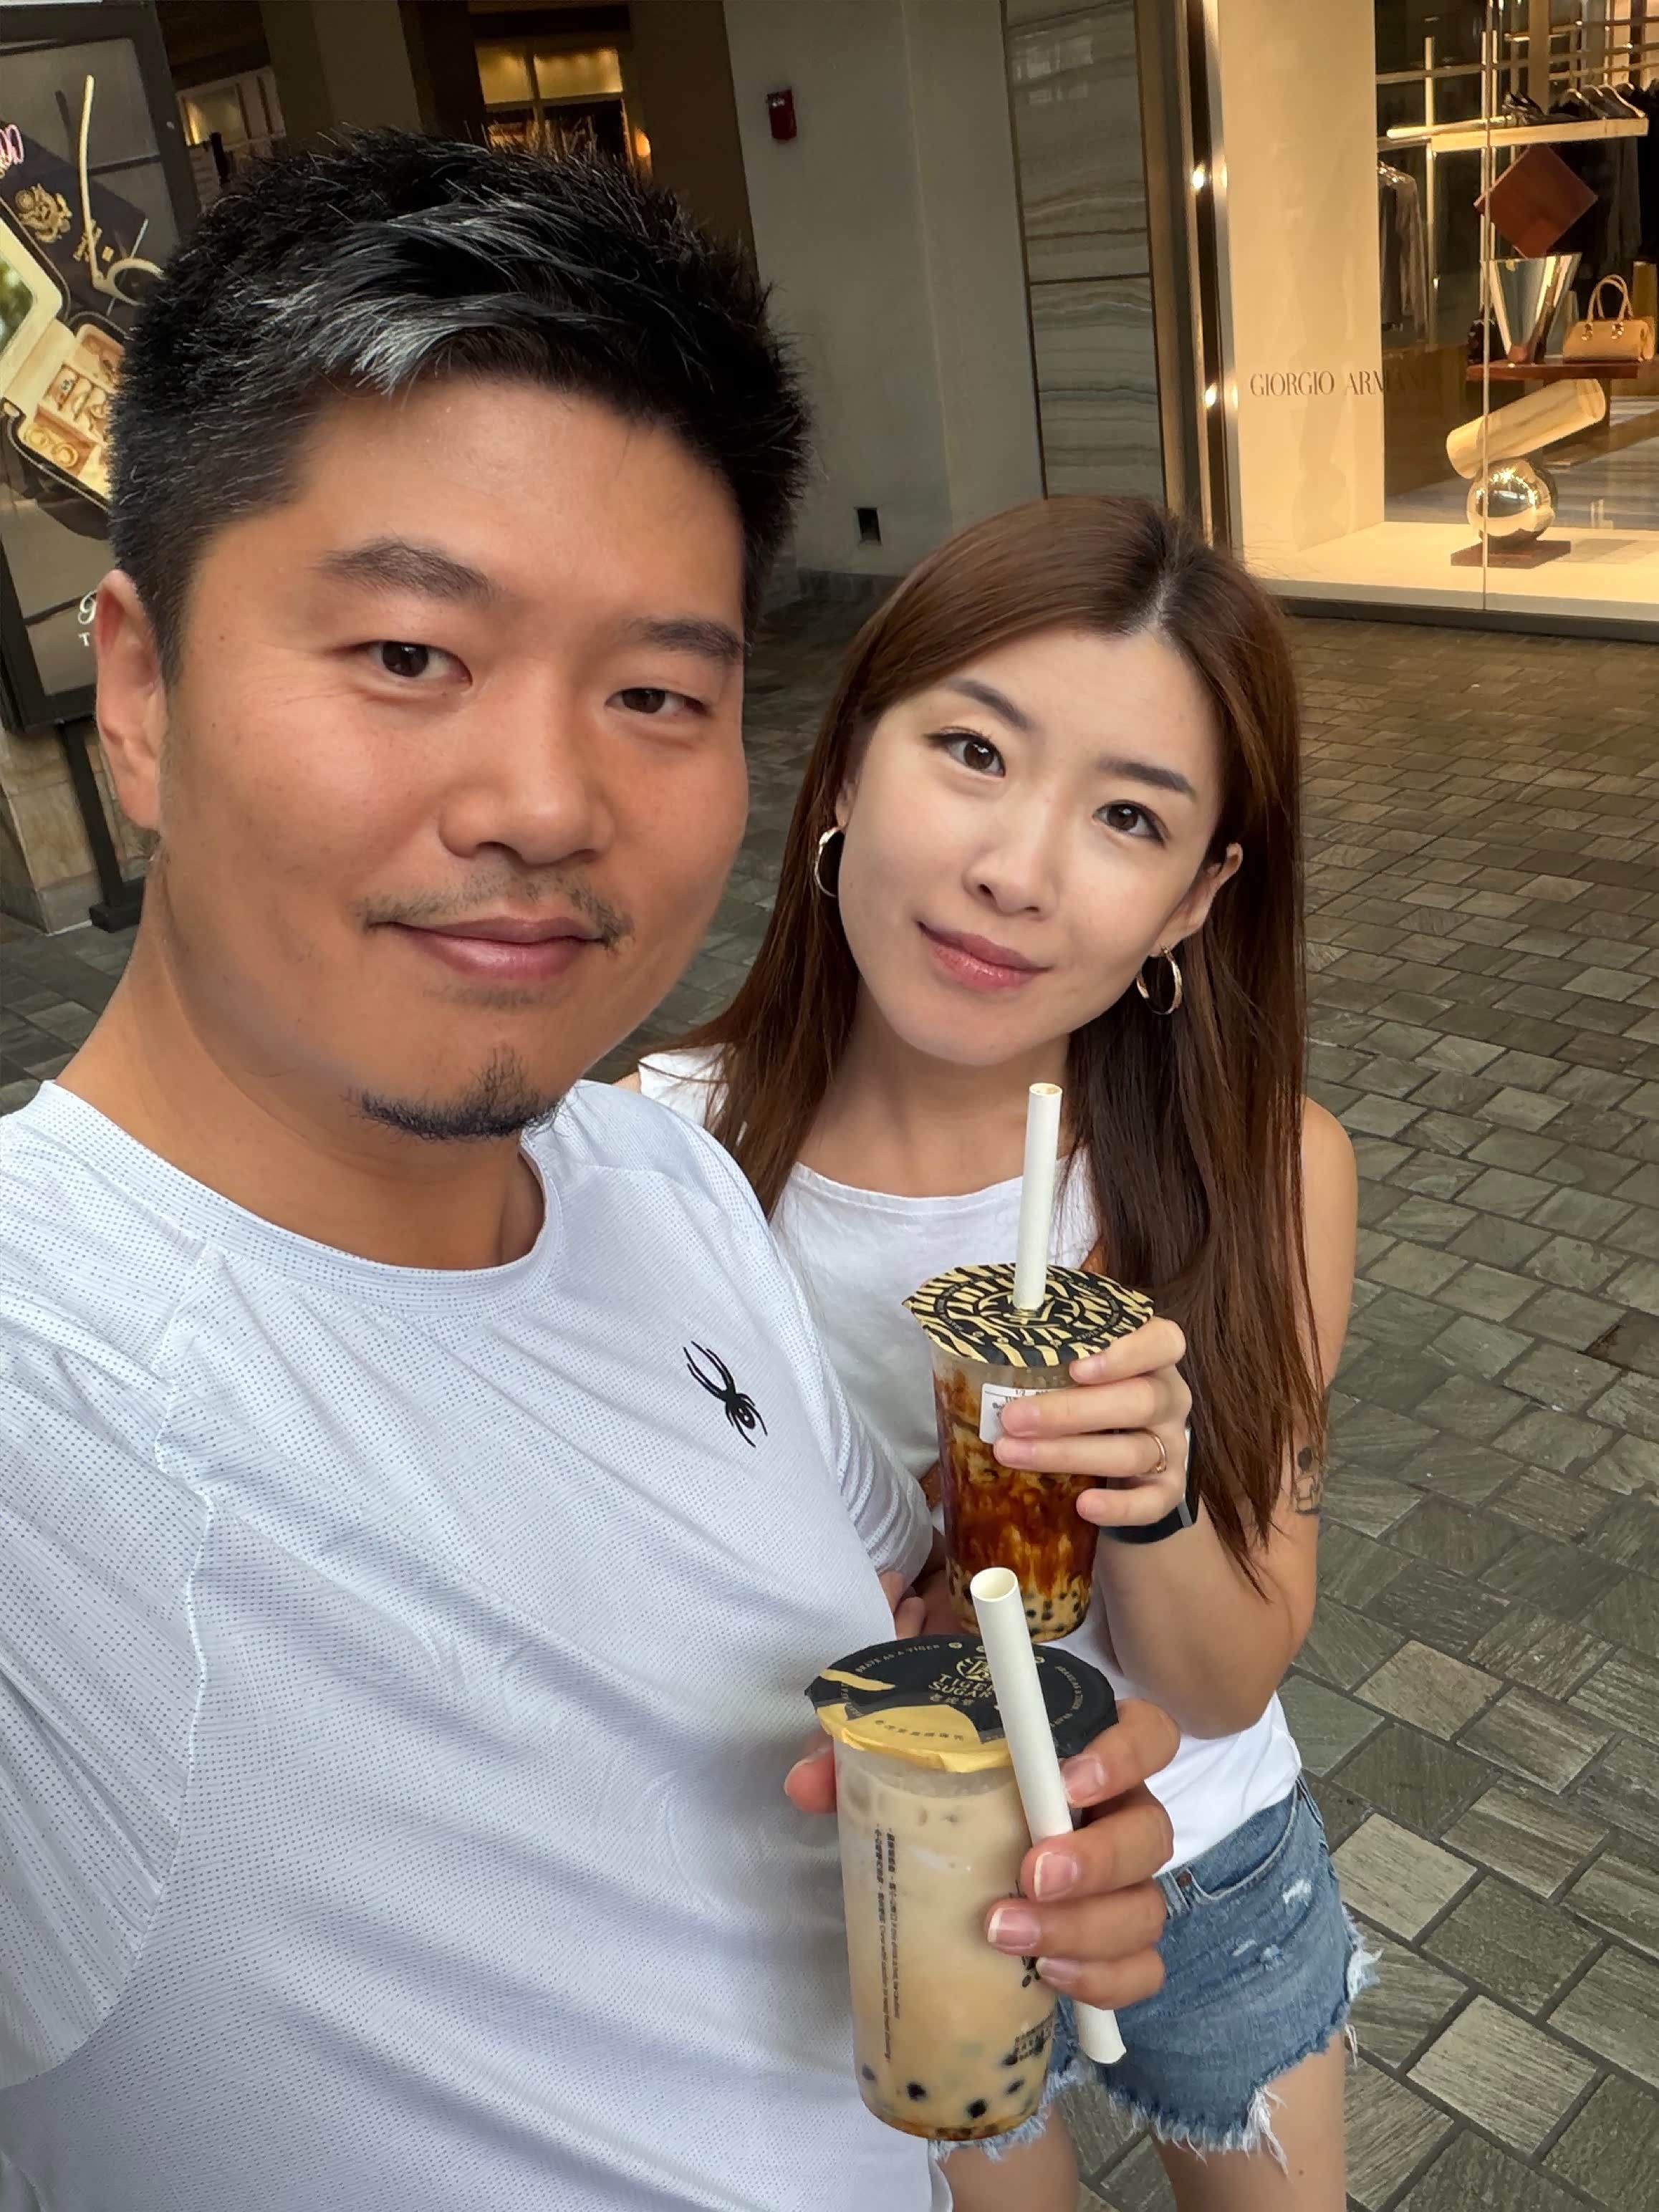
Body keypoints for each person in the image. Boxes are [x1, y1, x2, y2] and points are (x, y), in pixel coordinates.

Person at [0, 140, 1180, 2212]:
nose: (547, 802)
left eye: (654, 694)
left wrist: (1010, 1821)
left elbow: (892, 1637)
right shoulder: (50, 1401)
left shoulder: (666, 1181)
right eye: (406, 655)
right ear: (144, 691)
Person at [629, 495, 1369, 2211]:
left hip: (1209, 1860)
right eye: (972, 749)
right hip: (905, 1876)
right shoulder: (658, 1160)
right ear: (846, 762)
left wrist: (1150, 1490)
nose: (1017, 869)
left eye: (1128, 815)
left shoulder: (1265, 1171)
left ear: (1194, 898)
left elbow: (1225, 1679)